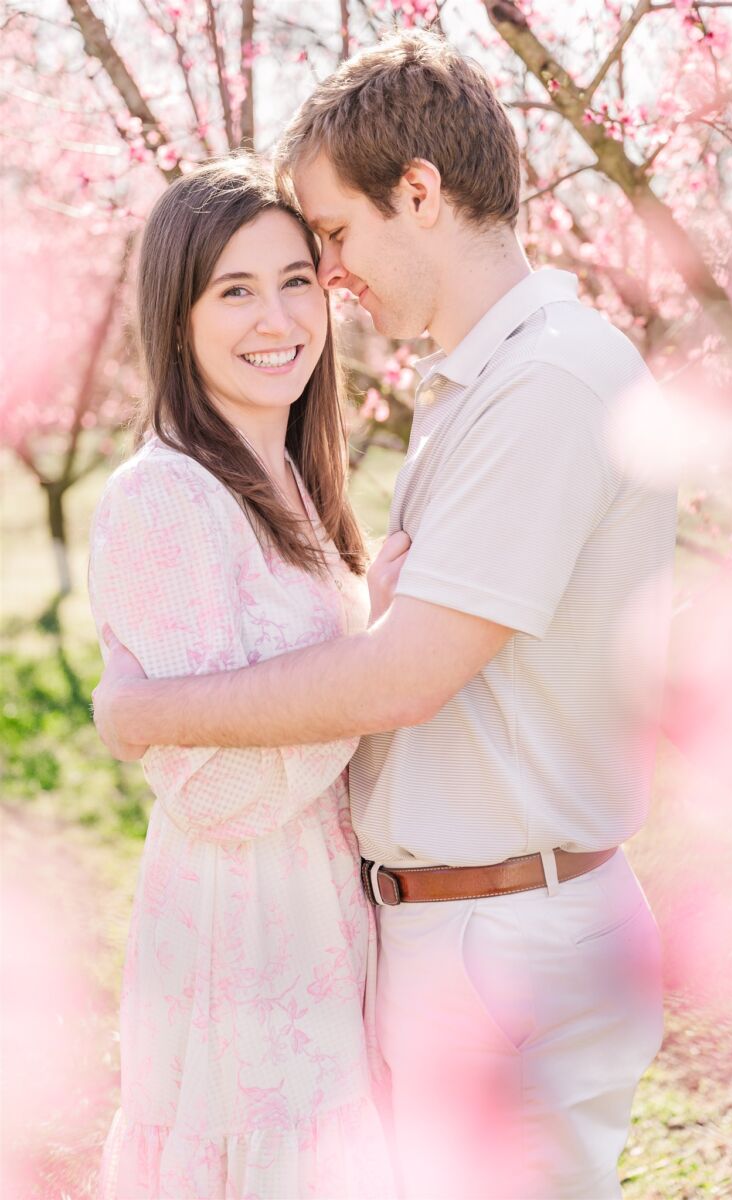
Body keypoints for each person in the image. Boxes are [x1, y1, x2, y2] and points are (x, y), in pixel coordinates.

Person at [93, 32, 677, 1200]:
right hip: (399, 934)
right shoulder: (476, 387)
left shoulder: (544, 384)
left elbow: (405, 674)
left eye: (329, 247)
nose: (330, 284)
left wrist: (144, 708)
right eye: (244, 285)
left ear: (418, 191)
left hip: (506, 925)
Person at [88, 156, 398, 1200]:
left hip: (323, 925)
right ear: (177, 318)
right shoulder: (162, 498)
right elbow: (215, 791)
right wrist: (386, 670)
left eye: (296, 279)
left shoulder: (296, 484)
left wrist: (377, 656)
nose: (278, 317)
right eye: (234, 289)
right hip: (240, 946)